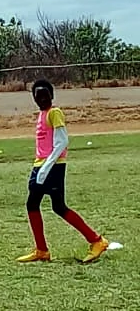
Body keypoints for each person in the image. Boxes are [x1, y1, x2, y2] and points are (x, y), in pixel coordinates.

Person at [17, 79, 108, 264]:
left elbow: (62, 142)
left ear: (52, 95)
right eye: (38, 96)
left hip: (52, 166)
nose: (42, 99)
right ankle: (42, 250)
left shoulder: (55, 113)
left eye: (45, 95)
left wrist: (46, 167)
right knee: (35, 205)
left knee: (55, 206)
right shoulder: (43, 114)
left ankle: (97, 241)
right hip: (42, 165)